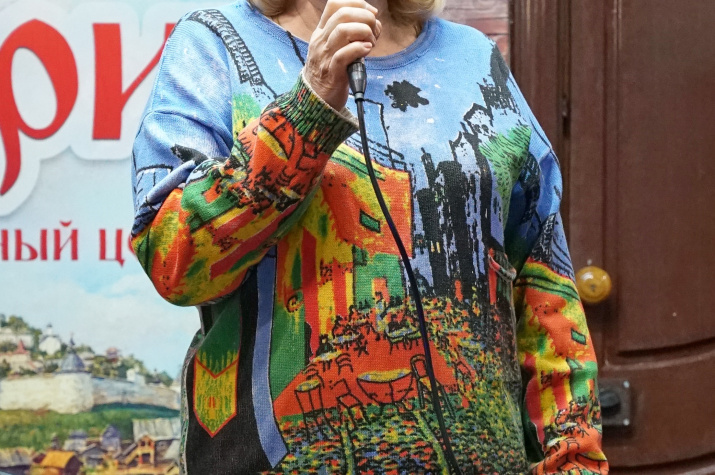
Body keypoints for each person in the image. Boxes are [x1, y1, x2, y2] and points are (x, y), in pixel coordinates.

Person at [130, 0, 608, 472]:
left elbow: (543, 280)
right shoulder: (215, 43)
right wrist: (309, 106)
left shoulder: (474, 58)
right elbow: (173, 261)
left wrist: (575, 459)